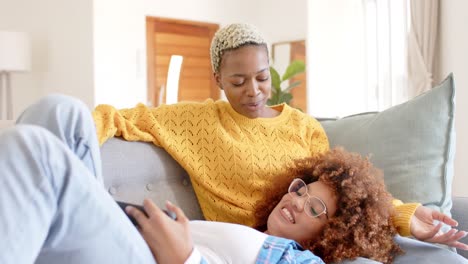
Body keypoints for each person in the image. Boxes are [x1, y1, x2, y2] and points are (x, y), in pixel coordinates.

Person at [93, 23, 468, 250]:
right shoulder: (197, 121)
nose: (254, 91)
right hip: (250, 248)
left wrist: (404, 214)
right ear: (218, 79)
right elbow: (117, 117)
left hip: (315, 246)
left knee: (424, 254)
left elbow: (344, 192)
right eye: (238, 82)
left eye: (261, 78)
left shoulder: (302, 127)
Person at [2, 95, 466, 264]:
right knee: (58, 111)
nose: (297, 202)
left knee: (35, 151)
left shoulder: (298, 263)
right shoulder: (247, 227)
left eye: (316, 210)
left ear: (333, 237)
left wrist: (185, 259)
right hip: (123, 230)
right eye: (302, 190)